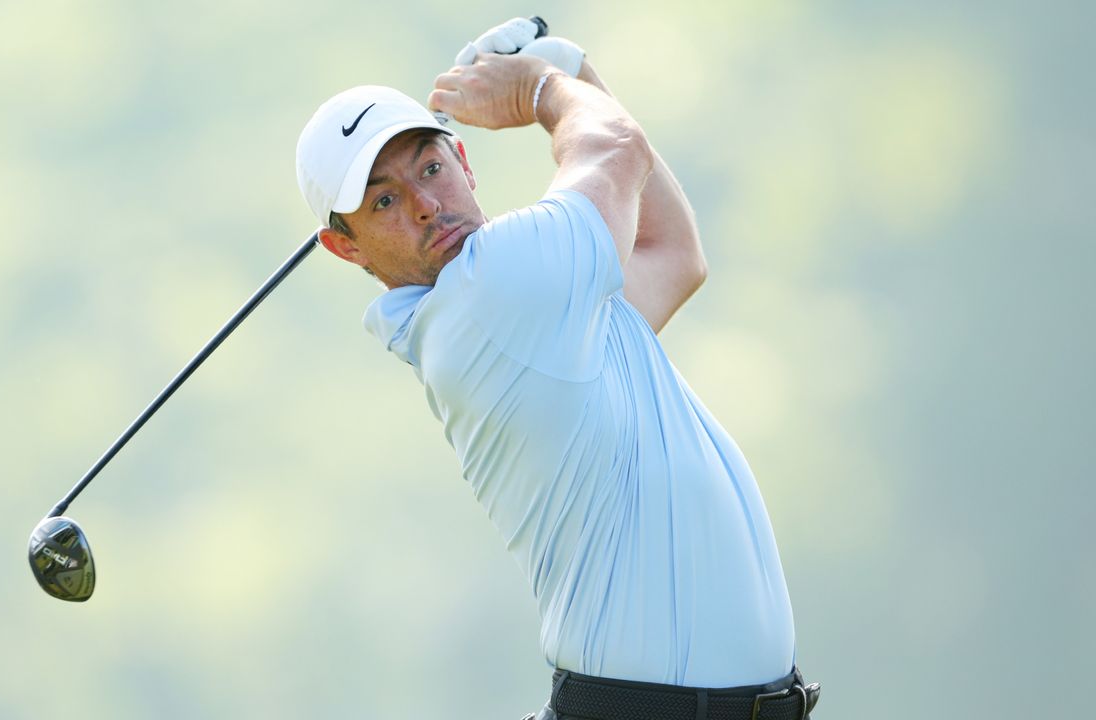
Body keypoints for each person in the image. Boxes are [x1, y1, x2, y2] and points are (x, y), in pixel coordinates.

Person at [295, 19, 818, 720]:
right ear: (344, 246)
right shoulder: (489, 292)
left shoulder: (543, 311)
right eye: (384, 201)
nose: (425, 205)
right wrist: (543, 88)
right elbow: (614, 146)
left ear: (465, 164)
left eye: (430, 167)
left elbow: (672, 253)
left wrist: (572, 72)